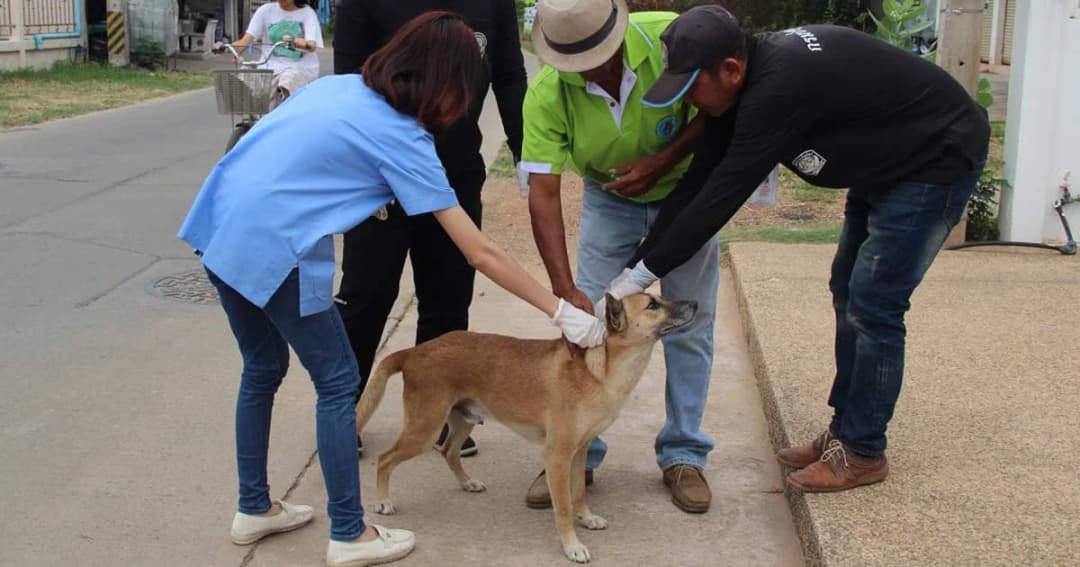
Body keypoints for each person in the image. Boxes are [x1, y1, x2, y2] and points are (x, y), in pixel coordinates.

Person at [177, 12, 605, 566]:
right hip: (273, 247)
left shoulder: (336, 88)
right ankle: (348, 533)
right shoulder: (403, 137)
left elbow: (278, 154)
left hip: (216, 225)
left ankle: (254, 508)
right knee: (338, 382)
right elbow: (478, 251)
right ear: (446, 83)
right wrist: (559, 310)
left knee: (262, 368)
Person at [604, 5, 990, 493]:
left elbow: (720, 199)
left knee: (875, 304)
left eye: (692, 86)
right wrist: (636, 266)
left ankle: (863, 451)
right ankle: (844, 432)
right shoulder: (740, 85)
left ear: (731, 70)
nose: (688, 100)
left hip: (934, 159)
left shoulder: (776, 91)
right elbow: (697, 183)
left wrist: (639, 277)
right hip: (886, 161)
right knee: (846, 290)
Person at [521, 0, 716, 514]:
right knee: (587, 326)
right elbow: (542, 192)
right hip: (608, 199)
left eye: (599, 58)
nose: (590, 72)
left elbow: (717, 111)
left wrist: (664, 160)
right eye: (576, 64)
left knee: (689, 325)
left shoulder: (670, 41)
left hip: (685, 195)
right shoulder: (546, 93)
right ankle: (576, 452)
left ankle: (684, 454)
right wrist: (564, 288)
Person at [333, 0, 528, 459]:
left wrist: (526, 152)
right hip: (379, 176)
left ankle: (440, 415)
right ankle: (340, 412)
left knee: (448, 300)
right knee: (365, 297)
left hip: (455, 171)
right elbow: (348, 80)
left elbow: (509, 76)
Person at [218, 0, 323, 104]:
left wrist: (303, 43)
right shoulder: (265, 10)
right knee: (246, 75)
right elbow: (245, 41)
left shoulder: (307, 13)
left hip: (299, 67)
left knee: (288, 80)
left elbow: (312, 45)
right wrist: (225, 47)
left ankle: (283, 109)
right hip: (269, 67)